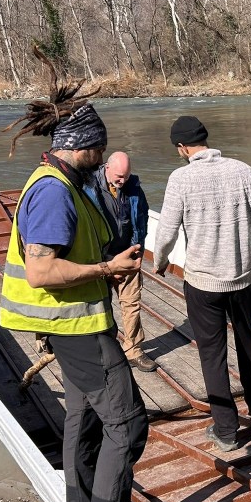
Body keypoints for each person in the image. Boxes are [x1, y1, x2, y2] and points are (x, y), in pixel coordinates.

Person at [0, 86, 152, 502]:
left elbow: (72, 252)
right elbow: (43, 271)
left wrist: (108, 258)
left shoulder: (65, 184)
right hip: (76, 330)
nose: (102, 155)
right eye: (99, 147)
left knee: (83, 421)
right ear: (79, 145)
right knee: (127, 424)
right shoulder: (52, 191)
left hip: (74, 328)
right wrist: (108, 271)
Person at [152, 115, 251, 452]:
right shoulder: (244, 170)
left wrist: (161, 261)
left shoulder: (180, 179)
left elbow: (166, 231)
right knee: (247, 338)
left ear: (182, 148)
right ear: (205, 139)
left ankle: (226, 430)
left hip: (203, 284)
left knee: (212, 354)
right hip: (241, 279)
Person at [85, 151, 157, 372]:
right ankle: (105, 353)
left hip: (128, 256)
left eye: (126, 176)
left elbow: (141, 220)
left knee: (131, 305)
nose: (122, 181)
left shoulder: (134, 188)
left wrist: (137, 250)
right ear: (106, 167)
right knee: (100, 307)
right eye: (118, 176)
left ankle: (134, 350)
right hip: (101, 259)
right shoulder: (88, 187)